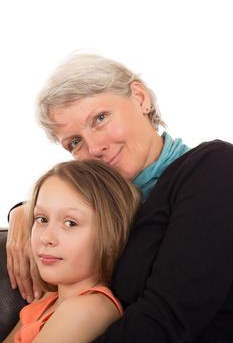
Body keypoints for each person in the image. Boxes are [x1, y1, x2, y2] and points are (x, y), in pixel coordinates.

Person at [6, 52, 233, 342]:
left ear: (140, 98)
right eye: (75, 142)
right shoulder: (114, 210)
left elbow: (167, 319)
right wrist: (24, 211)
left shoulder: (213, 168)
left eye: (100, 118)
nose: (95, 147)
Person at [3, 159, 140, 342]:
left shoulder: (90, 308)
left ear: (111, 236)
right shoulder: (49, 298)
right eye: (42, 219)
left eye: (70, 223)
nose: (46, 238)